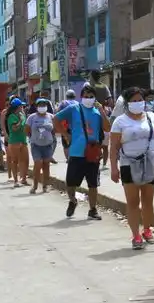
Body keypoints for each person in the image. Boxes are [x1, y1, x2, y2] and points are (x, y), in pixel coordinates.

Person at [110, 86, 154, 249]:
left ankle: (147, 230)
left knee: (148, 200)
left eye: (140, 100)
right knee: (133, 201)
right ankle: (135, 235)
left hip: (150, 163)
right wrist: (113, 168)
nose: (138, 103)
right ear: (127, 103)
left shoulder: (153, 118)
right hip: (128, 164)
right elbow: (114, 147)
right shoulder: (120, 122)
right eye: (134, 101)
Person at [54, 84, 110, 220]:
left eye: (91, 97)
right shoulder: (74, 109)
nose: (89, 99)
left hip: (92, 152)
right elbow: (56, 119)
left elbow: (107, 127)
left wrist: (102, 111)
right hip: (76, 152)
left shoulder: (98, 112)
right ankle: (72, 200)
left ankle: (92, 209)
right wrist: (66, 135)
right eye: (86, 96)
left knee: (93, 184)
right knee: (71, 182)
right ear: (81, 97)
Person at [26, 97, 57, 193]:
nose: (42, 107)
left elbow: (55, 130)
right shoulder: (32, 117)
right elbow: (27, 130)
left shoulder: (51, 117)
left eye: (44, 105)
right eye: (40, 105)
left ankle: (45, 186)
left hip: (48, 145)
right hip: (36, 145)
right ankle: (35, 186)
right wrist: (32, 138)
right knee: (38, 164)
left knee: (46, 165)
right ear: (36, 106)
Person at [4, 98, 29, 185]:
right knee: (15, 161)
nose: (22, 107)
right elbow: (15, 128)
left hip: (23, 140)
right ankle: (15, 180)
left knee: (25, 160)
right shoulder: (11, 117)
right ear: (17, 107)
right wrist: (21, 121)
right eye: (21, 106)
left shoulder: (22, 115)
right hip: (14, 141)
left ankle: (24, 179)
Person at [56, 89, 77, 163]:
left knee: (66, 144)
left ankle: (68, 159)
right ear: (74, 96)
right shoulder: (77, 103)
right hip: (75, 127)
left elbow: (57, 113)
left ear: (67, 96)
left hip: (65, 127)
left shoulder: (63, 103)